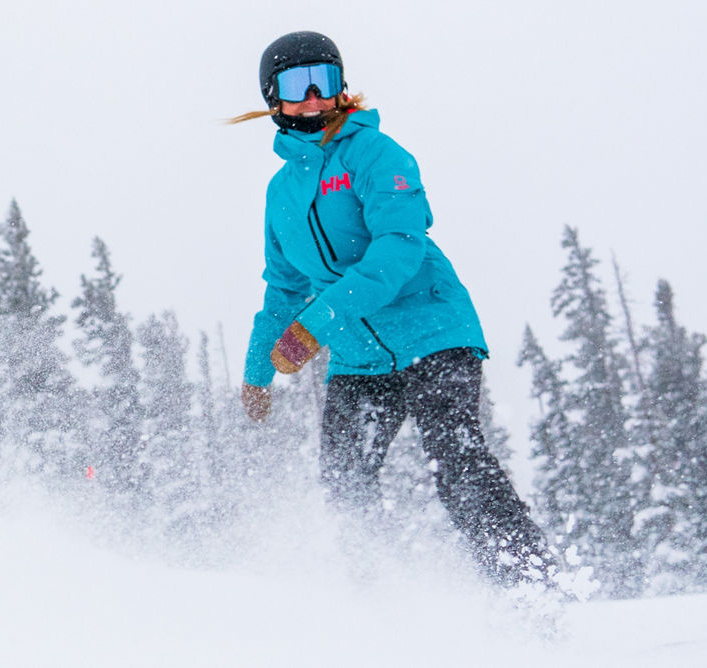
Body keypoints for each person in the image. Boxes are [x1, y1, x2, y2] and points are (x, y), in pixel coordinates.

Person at [233, 31, 556, 589]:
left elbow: (398, 249)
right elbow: (283, 290)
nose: (313, 96)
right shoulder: (280, 193)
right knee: (344, 481)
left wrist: (317, 325)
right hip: (360, 359)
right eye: (295, 84)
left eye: (325, 81)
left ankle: (529, 585)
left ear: (341, 88)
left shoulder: (377, 155)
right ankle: (379, 602)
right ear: (273, 100)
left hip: (432, 332)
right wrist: (258, 370)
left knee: (454, 457)